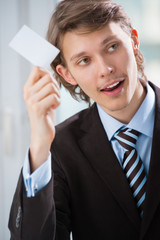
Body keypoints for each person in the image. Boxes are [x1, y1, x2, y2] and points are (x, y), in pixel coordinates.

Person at [8, 0, 160, 239]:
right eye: (84, 60)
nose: (105, 69)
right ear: (67, 74)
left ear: (134, 41)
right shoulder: (59, 148)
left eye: (112, 47)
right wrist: (39, 145)